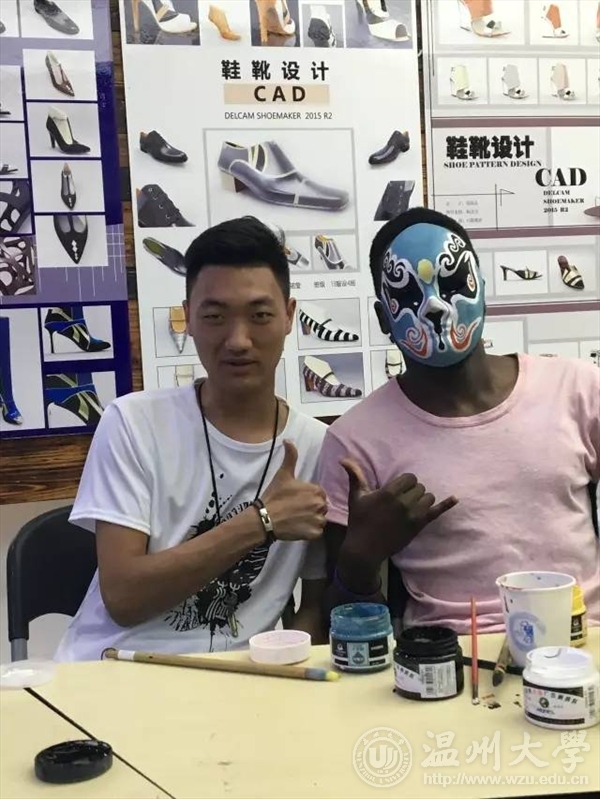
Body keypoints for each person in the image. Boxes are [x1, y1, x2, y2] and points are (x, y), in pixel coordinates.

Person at [56, 217, 328, 660]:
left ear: (289, 316)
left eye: (260, 315)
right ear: (188, 318)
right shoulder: (134, 423)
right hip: (113, 667)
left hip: (243, 678)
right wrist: (261, 521)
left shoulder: (317, 447)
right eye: (215, 316)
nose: (238, 341)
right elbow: (123, 598)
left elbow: (313, 608)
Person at [319, 207, 599, 632]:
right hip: (449, 658)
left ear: (482, 288)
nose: (435, 307)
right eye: (409, 297)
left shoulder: (578, 389)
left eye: (452, 284)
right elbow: (339, 626)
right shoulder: (354, 442)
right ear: (382, 319)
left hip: (583, 644)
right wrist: (360, 557)